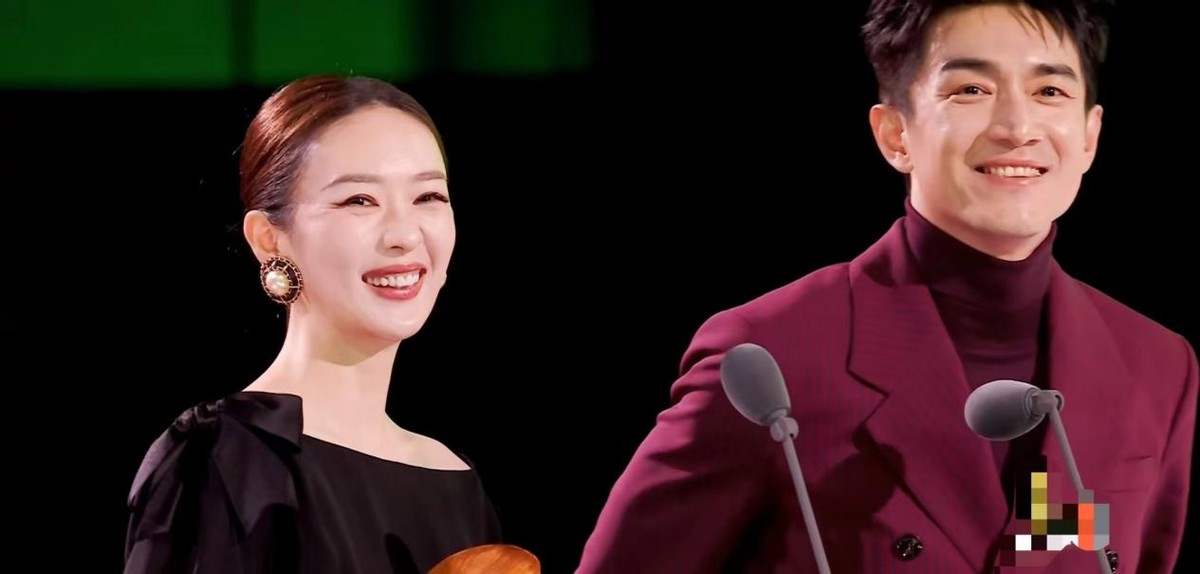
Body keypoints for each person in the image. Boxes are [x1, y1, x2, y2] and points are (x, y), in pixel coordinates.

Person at [577, 1, 1196, 572]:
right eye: (971, 89)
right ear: (896, 134)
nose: (1017, 126)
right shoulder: (772, 357)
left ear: (1089, 136)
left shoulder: (1157, 365)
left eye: (1049, 91)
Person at [123, 74, 503, 573]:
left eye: (428, 197)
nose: (405, 235)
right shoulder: (225, 457)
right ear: (269, 240)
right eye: (358, 200)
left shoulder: (455, 484)